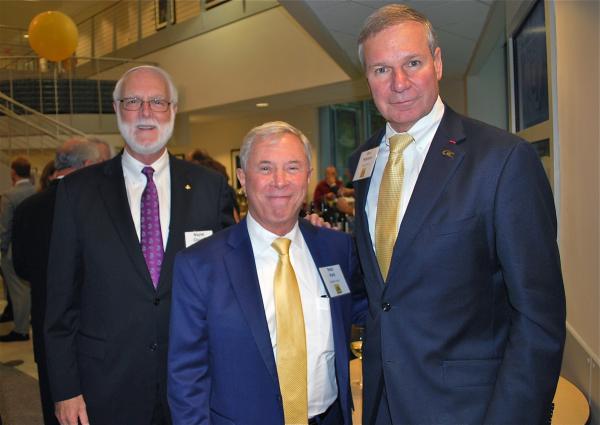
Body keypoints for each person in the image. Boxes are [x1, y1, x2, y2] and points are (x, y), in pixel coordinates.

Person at [348, 4, 566, 424]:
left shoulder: (503, 160)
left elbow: (539, 315)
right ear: (368, 79)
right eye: (381, 70)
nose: (399, 83)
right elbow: (382, 289)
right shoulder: (364, 160)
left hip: (470, 411)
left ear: (438, 62)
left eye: (412, 62)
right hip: (381, 405)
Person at [44, 65, 234, 425]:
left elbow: (228, 288)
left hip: (193, 386)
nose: (146, 113)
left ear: (173, 110)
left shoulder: (210, 187)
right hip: (105, 387)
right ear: (117, 109)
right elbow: (59, 304)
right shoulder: (76, 192)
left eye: (157, 101)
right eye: (133, 101)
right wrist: (65, 390)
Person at [168, 121, 364, 425]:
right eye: (265, 168)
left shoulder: (336, 249)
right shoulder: (200, 265)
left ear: (308, 177)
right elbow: (186, 377)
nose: (280, 181)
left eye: (293, 167)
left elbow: (374, 312)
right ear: (243, 179)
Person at [12, 138, 105, 425]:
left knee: (56, 407)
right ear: (89, 165)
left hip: (47, 332)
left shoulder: (28, 207)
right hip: (98, 334)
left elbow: (22, 267)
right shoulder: (98, 205)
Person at [0, 157, 36, 342]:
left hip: (14, 250)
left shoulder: (9, 196)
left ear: (13, 173)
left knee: (18, 290)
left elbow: (4, 227)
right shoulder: (37, 191)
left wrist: (2, 250)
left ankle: (20, 329)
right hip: (34, 247)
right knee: (28, 290)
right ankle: (25, 320)